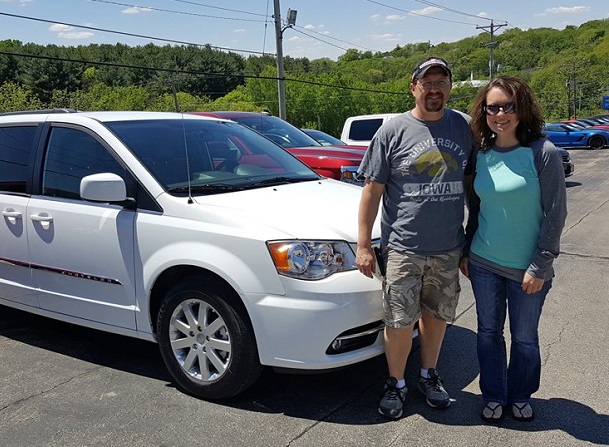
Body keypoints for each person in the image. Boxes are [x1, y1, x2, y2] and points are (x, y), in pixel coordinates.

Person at [356, 56, 474, 419]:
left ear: (449, 88)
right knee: (399, 320)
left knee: (437, 316)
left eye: (441, 81)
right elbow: (372, 192)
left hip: (448, 247)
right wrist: (363, 245)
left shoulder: (465, 127)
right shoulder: (392, 131)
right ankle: (396, 383)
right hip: (403, 247)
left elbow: (474, 187)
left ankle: (428, 375)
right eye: (427, 82)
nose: (435, 89)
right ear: (414, 87)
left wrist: (470, 241)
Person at [461, 76, 567, 423]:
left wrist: (541, 264)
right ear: (484, 111)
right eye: (493, 107)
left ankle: (520, 394)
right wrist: (466, 249)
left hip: (528, 268)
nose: (501, 113)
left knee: (524, 338)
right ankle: (493, 394)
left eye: (508, 106)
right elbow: (476, 208)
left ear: (522, 109)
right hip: (483, 262)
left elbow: (556, 213)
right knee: (488, 333)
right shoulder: (482, 152)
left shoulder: (542, 153)